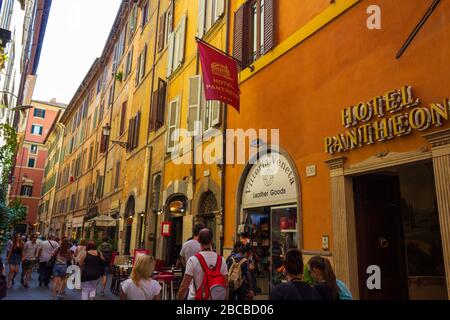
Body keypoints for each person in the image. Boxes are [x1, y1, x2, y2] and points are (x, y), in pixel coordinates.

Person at [177, 228, 228, 300]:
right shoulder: (221, 260)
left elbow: (184, 286)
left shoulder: (193, 260)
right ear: (211, 241)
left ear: (198, 241)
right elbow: (226, 285)